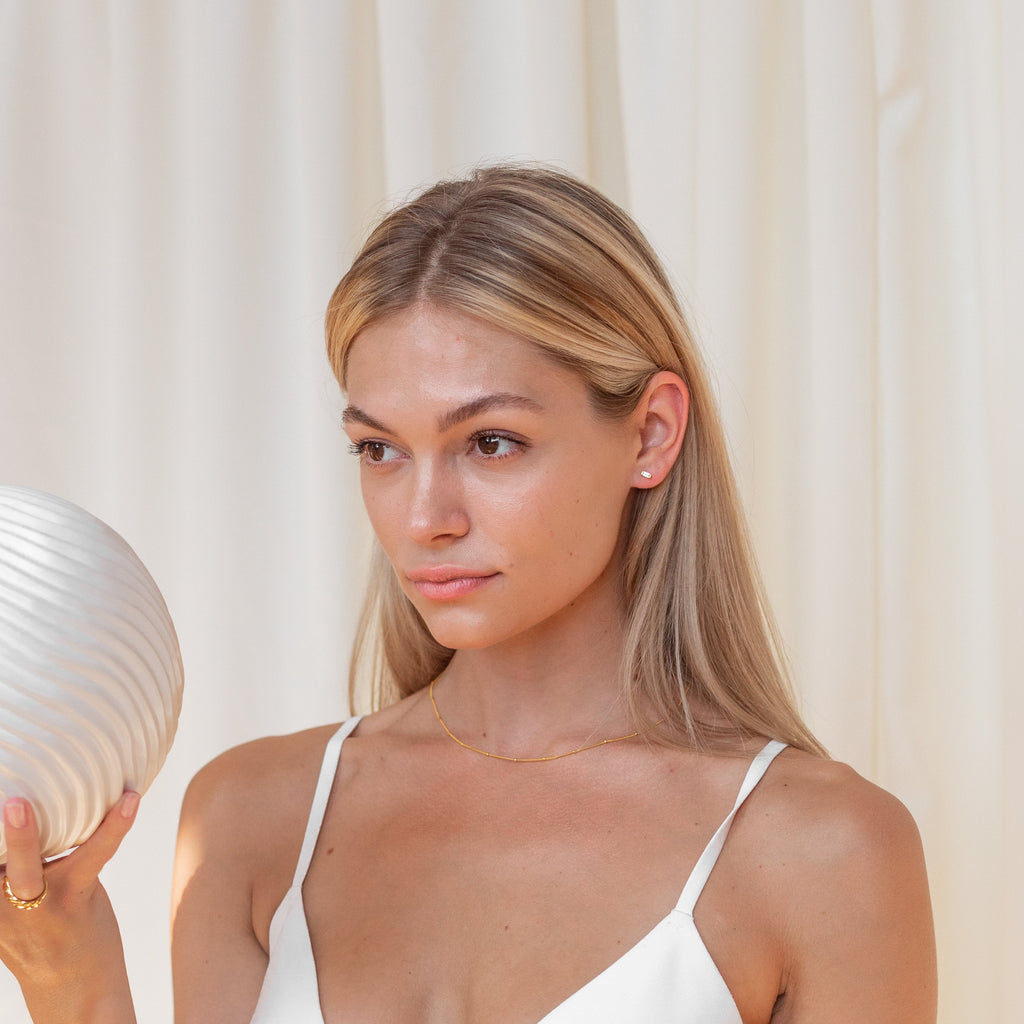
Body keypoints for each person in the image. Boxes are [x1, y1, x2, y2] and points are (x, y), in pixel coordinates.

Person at [1, 164, 936, 1023]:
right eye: (380, 449)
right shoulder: (252, 819)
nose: (424, 517)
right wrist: (67, 979)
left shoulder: (823, 855)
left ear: (651, 433)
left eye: (490, 443)